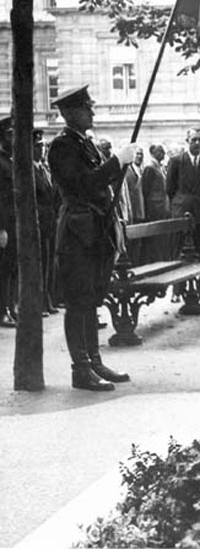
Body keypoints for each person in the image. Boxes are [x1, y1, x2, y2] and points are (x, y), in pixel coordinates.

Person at [47, 85, 137, 391]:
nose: (92, 112)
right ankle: (81, 369)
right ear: (69, 112)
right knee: (78, 302)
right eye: (87, 108)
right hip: (77, 234)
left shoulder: (84, 144)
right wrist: (116, 162)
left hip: (94, 231)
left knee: (91, 300)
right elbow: (83, 184)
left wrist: (119, 166)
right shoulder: (62, 147)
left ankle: (95, 362)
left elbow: (100, 183)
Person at [166, 128, 200, 302]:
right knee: (179, 251)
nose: (197, 143)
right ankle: (177, 290)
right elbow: (170, 189)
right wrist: (182, 203)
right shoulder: (176, 161)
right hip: (182, 214)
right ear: (187, 141)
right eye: (193, 140)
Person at [33, 130, 60, 316]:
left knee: (49, 263)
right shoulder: (29, 171)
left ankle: (47, 299)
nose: (41, 149)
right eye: (37, 146)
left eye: (42, 145)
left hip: (49, 223)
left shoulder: (44, 169)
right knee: (40, 264)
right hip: (38, 224)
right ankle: (40, 302)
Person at [0, 116, 16, 327]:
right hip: (5, 225)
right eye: (10, 135)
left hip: (14, 224)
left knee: (12, 268)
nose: (14, 139)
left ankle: (11, 307)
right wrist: (1, 227)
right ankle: (3, 310)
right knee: (4, 270)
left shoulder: (11, 162)